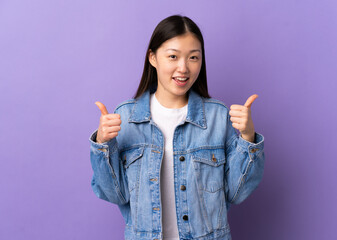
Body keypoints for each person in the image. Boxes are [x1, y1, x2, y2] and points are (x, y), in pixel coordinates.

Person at [89, 14, 265, 240]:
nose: (183, 68)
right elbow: (115, 194)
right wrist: (103, 144)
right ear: (153, 58)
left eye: (193, 58)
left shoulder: (218, 117)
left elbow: (237, 193)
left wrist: (248, 139)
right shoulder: (125, 117)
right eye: (173, 56)